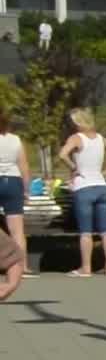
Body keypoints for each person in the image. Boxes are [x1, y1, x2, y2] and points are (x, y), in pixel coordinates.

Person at [58, 109, 106, 278]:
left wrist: (74, 167)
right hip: (101, 187)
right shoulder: (100, 138)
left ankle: (86, 268)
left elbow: (62, 154)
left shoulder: (76, 138)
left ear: (76, 122)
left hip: (84, 187)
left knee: (85, 231)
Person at [0, 111, 28, 302]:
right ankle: (21, 266)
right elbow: (23, 165)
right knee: (17, 229)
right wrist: (26, 189)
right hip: (13, 181)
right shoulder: (15, 140)